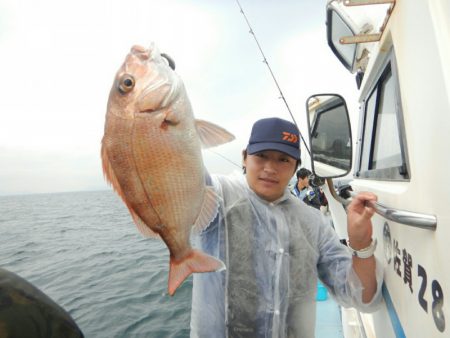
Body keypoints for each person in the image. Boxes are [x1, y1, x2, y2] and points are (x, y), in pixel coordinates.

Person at [190, 117, 382, 338]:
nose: (270, 168)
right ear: (244, 158)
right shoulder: (216, 194)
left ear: (294, 169)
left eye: (283, 159)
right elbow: (175, 166)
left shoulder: (313, 222)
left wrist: (361, 243)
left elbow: (361, 297)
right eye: (261, 156)